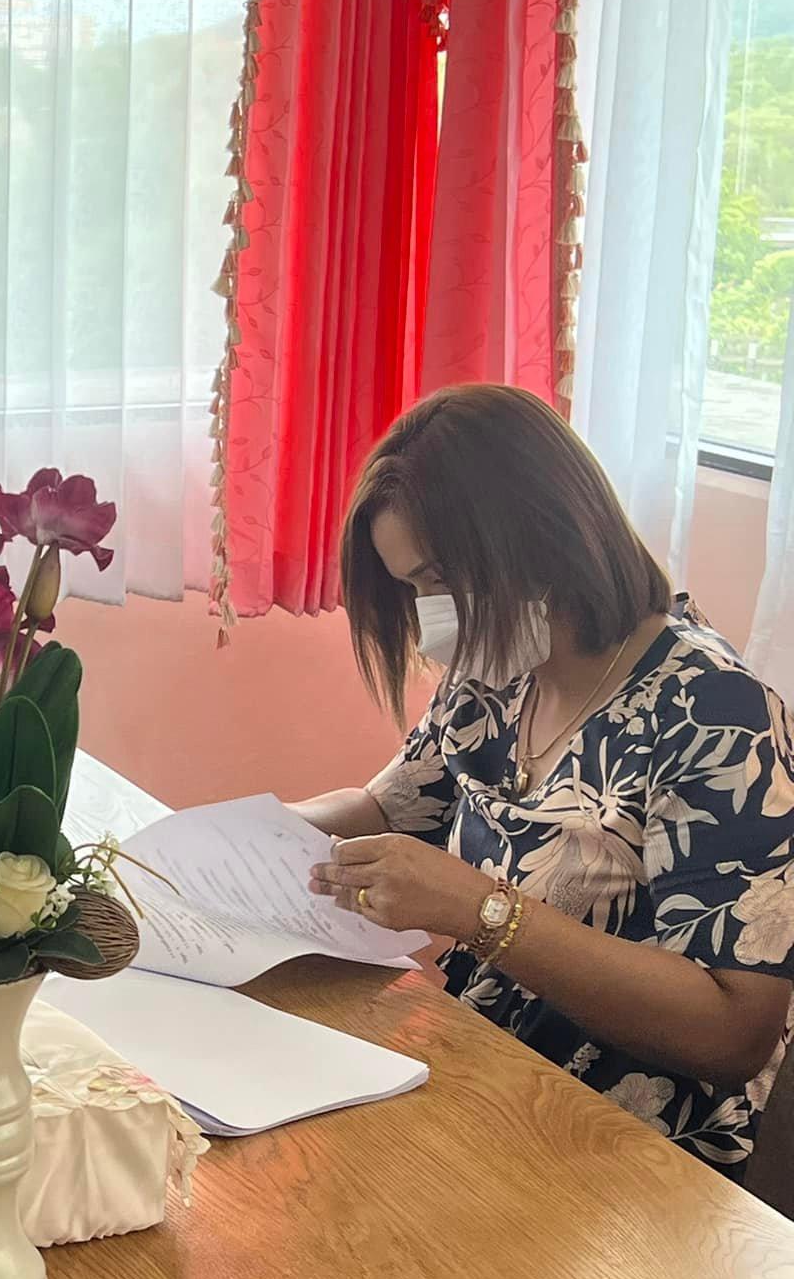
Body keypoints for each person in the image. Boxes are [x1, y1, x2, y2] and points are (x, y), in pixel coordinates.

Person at [295, 384, 794, 1176]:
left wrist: (480, 909)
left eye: (437, 579)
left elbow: (733, 1031)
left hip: (629, 1149)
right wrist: (255, 828)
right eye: (411, 588)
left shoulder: (715, 715)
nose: (427, 615)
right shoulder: (498, 669)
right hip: (482, 1077)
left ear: (538, 535)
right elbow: (389, 808)